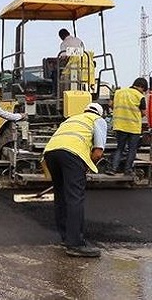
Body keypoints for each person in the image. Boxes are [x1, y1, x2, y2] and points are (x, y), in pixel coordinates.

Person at [43, 102, 107, 258]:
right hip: (71, 155)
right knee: (74, 198)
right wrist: (86, 166)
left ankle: (66, 237)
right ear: (100, 113)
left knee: (61, 196)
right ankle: (75, 244)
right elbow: (98, 152)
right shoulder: (97, 120)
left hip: (50, 154)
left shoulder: (71, 119)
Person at [106, 77, 148, 176]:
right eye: (144, 90)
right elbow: (143, 113)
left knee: (120, 148)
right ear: (142, 87)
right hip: (133, 127)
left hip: (120, 126)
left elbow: (111, 104)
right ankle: (128, 170)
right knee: (132, 149)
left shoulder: (119, 92)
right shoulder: (139, 96)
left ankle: (113, 169)